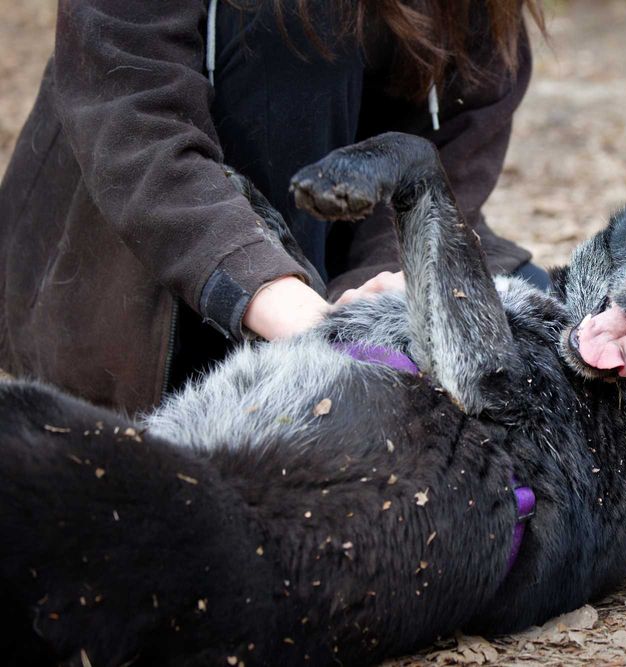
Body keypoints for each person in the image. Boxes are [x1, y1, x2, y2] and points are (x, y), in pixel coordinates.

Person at [0, 0, 547, 413]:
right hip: (143, 289)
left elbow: (452, 135)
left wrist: (383, 286)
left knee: (536, 329)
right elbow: (133, 121)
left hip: (337, 284)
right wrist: (304, 321)